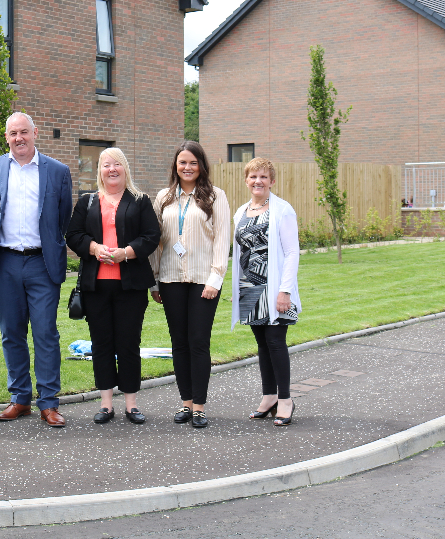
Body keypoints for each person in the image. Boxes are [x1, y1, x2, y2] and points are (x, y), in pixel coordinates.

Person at [0, 112, 73, 427]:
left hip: (42, 263)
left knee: (46, 332)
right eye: (12, 133)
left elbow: (62, 218)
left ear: (35, 132)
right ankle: (20, 399)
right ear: (6, 137)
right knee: (11, 332)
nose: (19, 138)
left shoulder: (57, 171)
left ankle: (48, 402)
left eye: (24, 132)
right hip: (5, 262)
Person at [66, 147, 159, 424]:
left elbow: (152, 236)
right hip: (97, 287)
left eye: (117, 164)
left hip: (130, 286)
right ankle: (106, 404)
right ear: (100, 171)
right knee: (102, 343)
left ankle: (131, 404)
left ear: (125, 168)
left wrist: (126, 252)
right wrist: (94, 248)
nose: (112, 169)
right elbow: (73, 235)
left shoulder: (140, 201)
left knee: (129, 344)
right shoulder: (88, 201)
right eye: (106, 165)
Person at [149, 141, 231, 428]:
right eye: (182, 162)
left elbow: (222, 240)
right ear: (175, 165)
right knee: (179, 344)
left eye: (193, 162)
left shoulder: (216, 197)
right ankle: (185, 403)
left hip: (202, 281)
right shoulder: (163, 198)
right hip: (170, 279)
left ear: (201, 166)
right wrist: (155, 281)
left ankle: (199, 406)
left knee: (198, 342)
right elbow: (156, 243)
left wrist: (215, 278)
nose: (187, 167)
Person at [231, 157, 301, 427]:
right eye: (252, 177)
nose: (257, 181)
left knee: (275, 341)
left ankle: (285, 400)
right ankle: (269, 396)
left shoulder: (283, 210)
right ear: (246, 181)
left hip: (274, 288)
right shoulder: (241, 212)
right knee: (262, 344)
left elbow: (292, 252)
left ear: (272, 181)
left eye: (263, 177)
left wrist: (285, 291)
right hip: (250, 288)